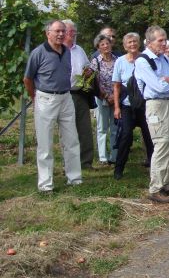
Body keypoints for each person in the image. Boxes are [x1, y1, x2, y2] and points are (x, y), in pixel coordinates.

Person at [23, 20, 82, 192]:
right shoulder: (38, 53)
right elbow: (27, 79)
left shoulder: (67, 52)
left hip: (66, 97)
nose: (61, 34)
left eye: (63, 31)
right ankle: (46, 184)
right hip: (46, 99)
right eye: (57, 31)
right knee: (45, 143)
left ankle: (75, 178)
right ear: (47, 33)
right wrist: (34, 97)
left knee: (71, 140)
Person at [135, 26, 169, 204]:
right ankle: (155, 187)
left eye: (165, 39)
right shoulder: (143, 61)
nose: (164, 44)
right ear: (149, 42)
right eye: (160, 40)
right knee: (162, 144)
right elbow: (158, 87)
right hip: (156, 105)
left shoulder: (165, 58)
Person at [112, 33, 155, 179]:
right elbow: (116, 86)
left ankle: (154, 168)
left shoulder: (145, 59)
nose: (132, 44)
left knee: (150, 136)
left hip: (144, 105)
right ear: (124, 45)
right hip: (127, 105)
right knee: (126, 136)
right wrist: (117, 107)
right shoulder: (120, 62)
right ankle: (119, 169)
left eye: (135, 41)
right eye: (129, 42)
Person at [62, 19, 95, 168]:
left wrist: (88, 72)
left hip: (79, 93)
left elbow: (87, 66)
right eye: (71, 31)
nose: (74, 34)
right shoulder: (58, 49)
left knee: (84, 128)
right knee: (67, 129)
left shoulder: (79, 49)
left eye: (75, 31)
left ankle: (86, 162)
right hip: (63, 94)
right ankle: (69, 162)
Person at [90, 33, 119, 165]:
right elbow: (94, 81)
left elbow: (121, 79)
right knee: (102, 128)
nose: (106, 46)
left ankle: (114, 156)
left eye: (107, 43)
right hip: (102, 98)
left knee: (115, 128)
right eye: (102, 44)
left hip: (116, 98)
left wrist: (114, 96)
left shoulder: (117, 59)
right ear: (98, 47)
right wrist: (106, 96)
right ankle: (102, 157)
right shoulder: (96, 61)